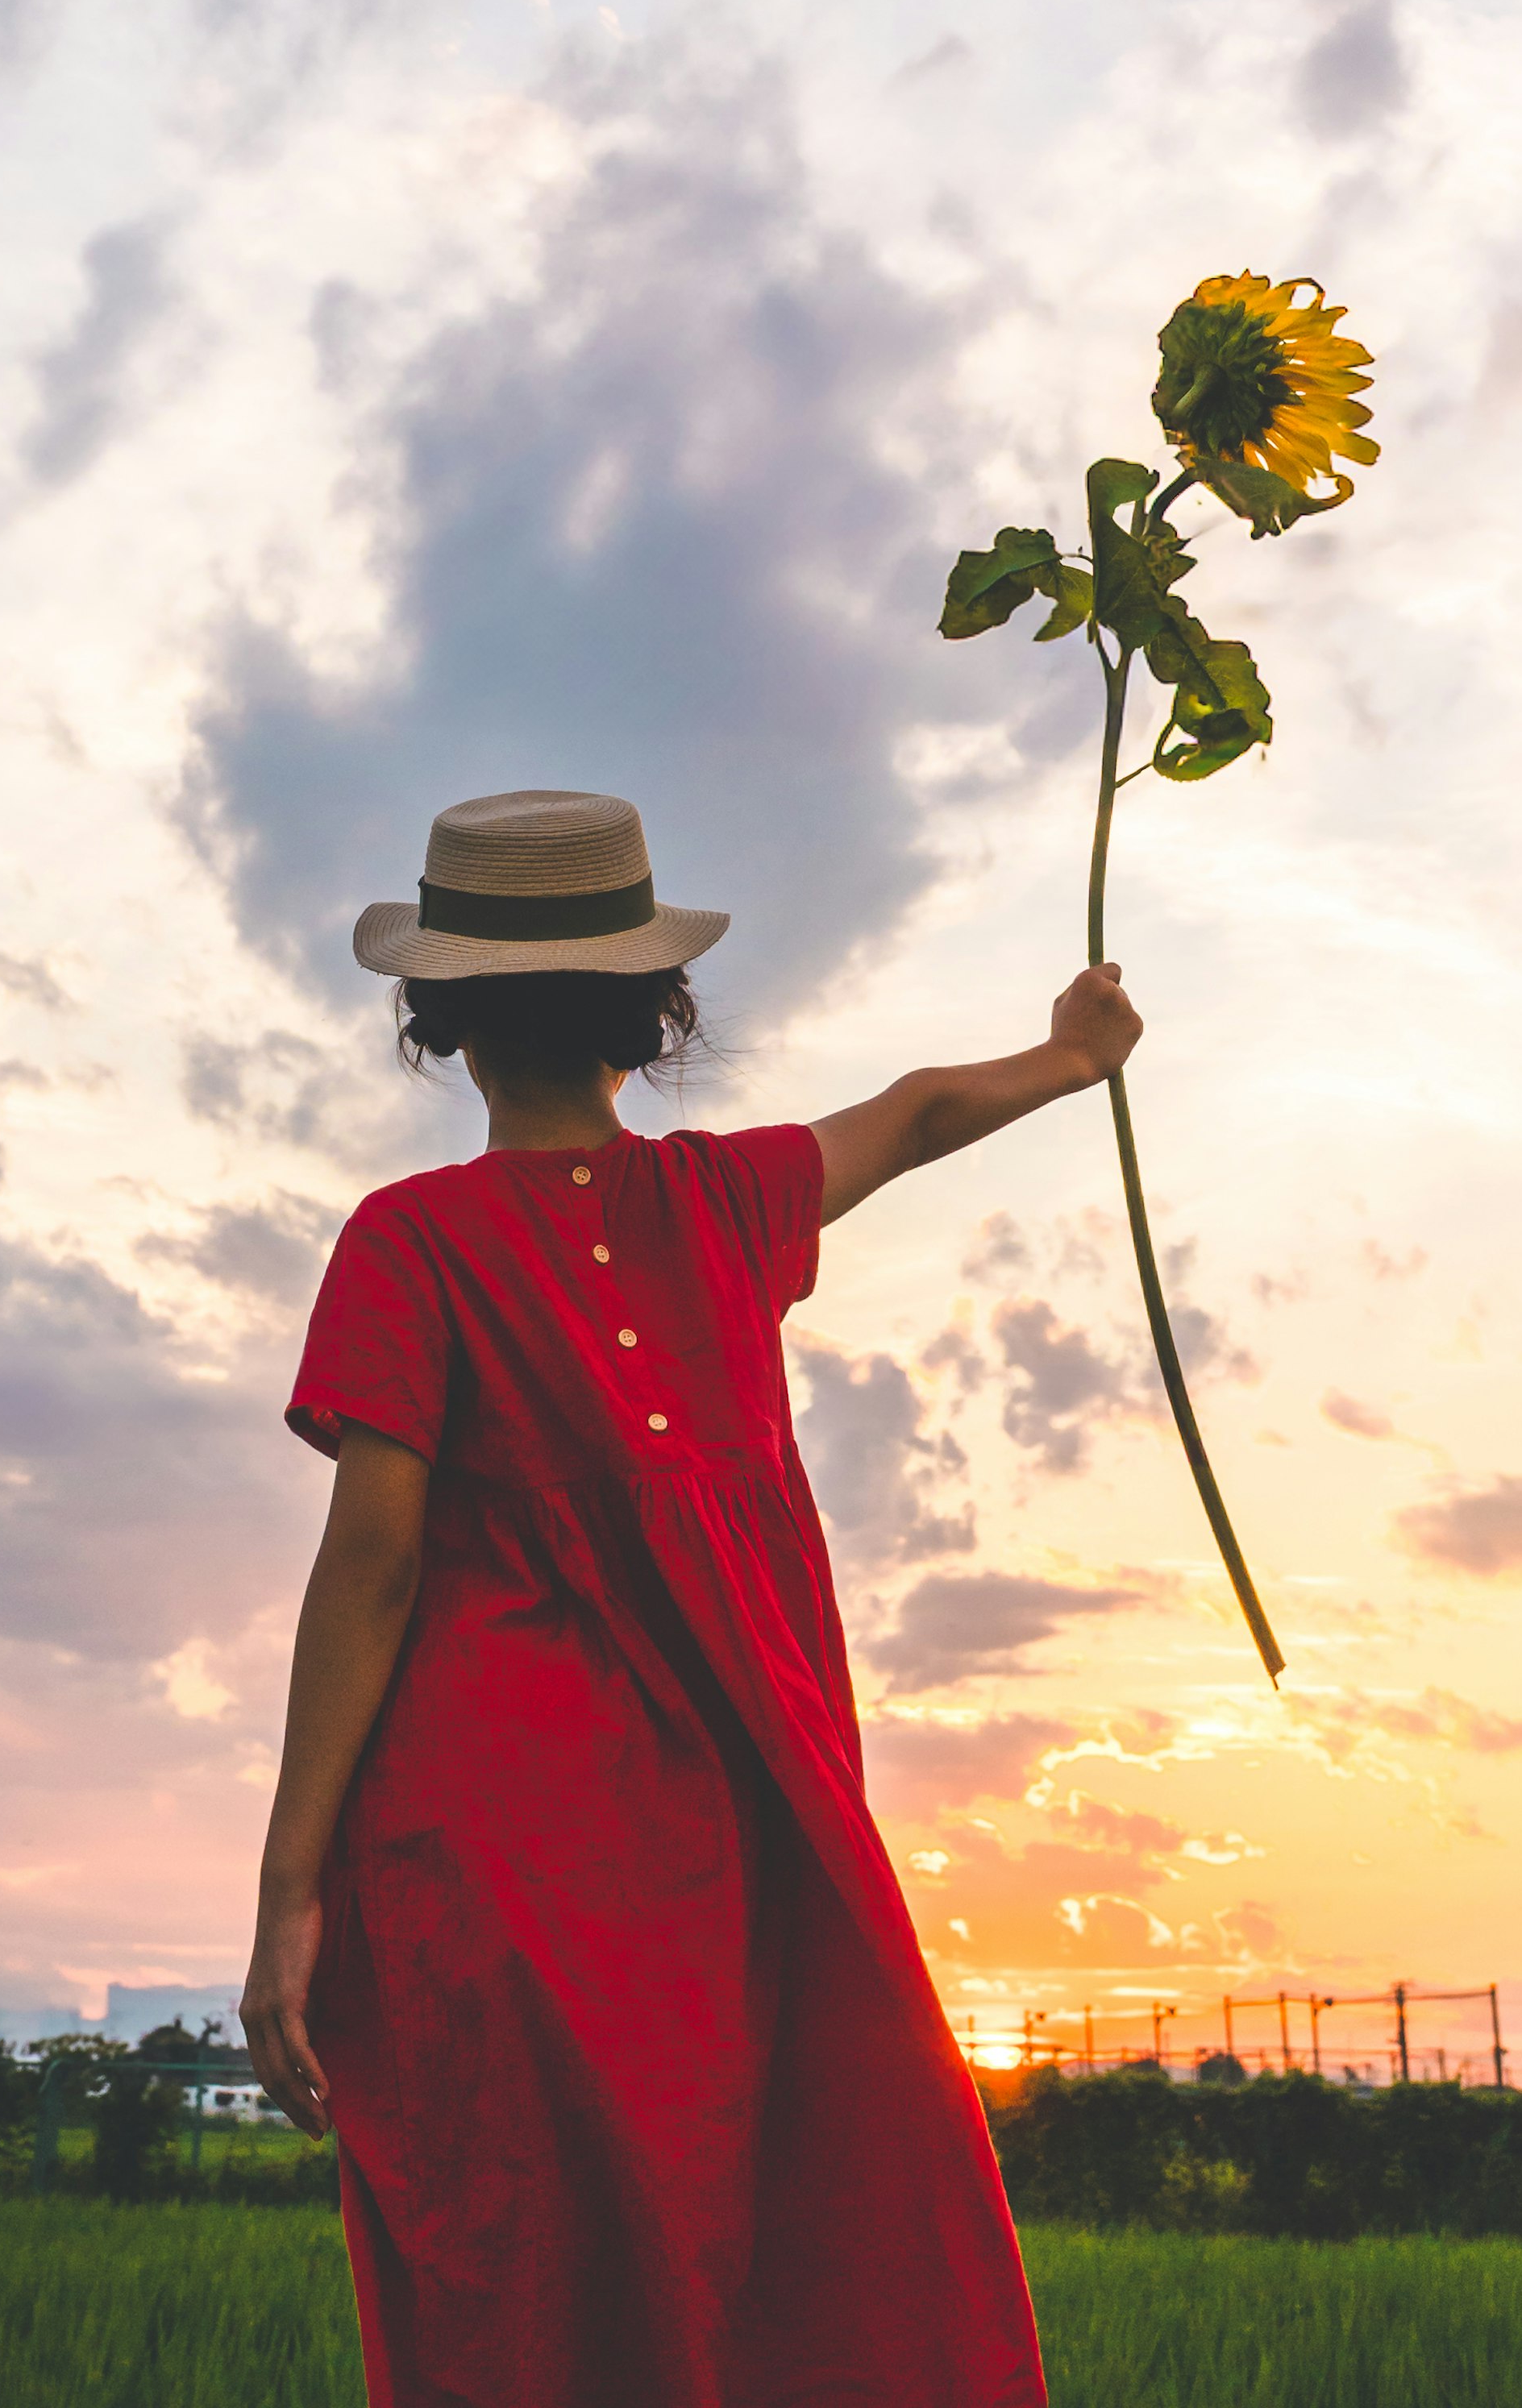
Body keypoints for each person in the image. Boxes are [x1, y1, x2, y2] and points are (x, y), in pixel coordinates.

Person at [240, 783, 1146, 2408]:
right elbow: (923, 1106)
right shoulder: (725, 1203)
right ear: (653, 1016)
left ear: (436, 1021)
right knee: (807, 2218)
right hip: (747, 1822)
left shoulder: (409, 1242)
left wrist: (287, 1891)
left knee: (533, 2256)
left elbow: (369, 1574)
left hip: (492, 1830)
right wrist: (1073, 1056)